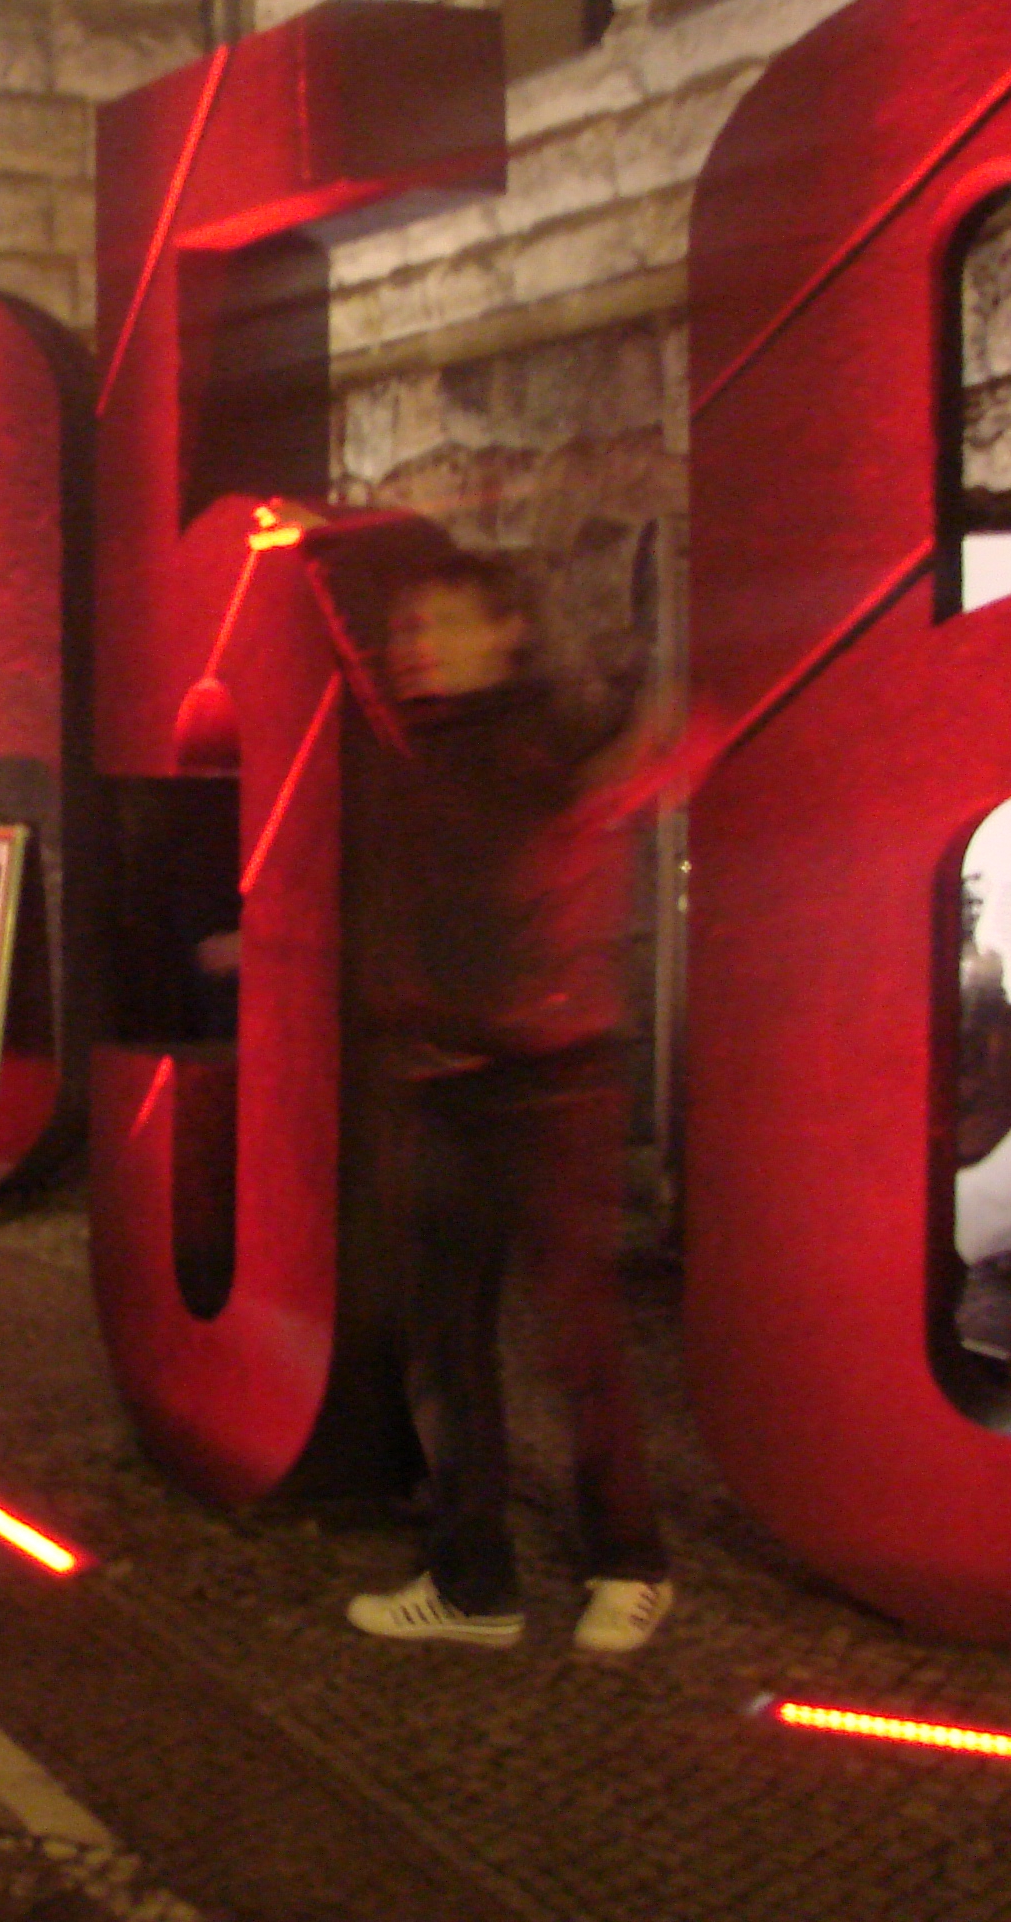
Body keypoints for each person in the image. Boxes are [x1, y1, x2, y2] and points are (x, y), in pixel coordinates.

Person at [342, 548, 673, 1656]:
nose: (419, 646)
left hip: (549, 1079)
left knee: (575, 1332)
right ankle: (472, 1578)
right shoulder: (404, 752)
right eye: (408, 627)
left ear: (509, 632)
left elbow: (647, 751)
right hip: (435, 1075)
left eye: (444, 624)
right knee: (447, 1343)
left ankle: (631, 1561)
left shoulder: (555, 733)